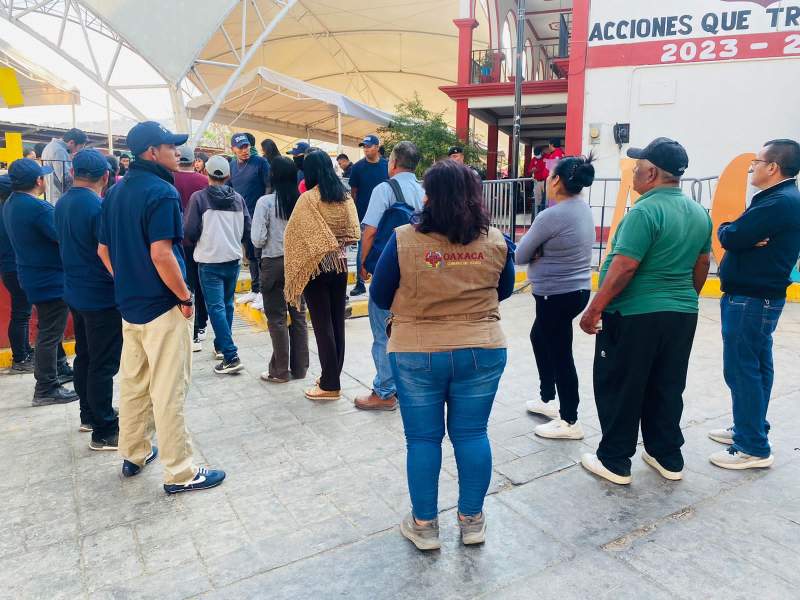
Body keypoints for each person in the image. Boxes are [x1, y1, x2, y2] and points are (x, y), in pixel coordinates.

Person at [370, 160, 515, 551]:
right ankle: (472, 522)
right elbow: (503, 289)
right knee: (472, 434)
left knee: (422, 440)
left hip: (417, 352)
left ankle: (425, 525)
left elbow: (380, 295)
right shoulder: (496, 240)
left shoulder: (403, 239)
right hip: (481, 348)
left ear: (428, 196)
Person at [99, 121, 225, 494]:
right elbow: (162, 254)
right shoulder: (162, 192)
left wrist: (127, 280)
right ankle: (181, 471)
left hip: (130, 305)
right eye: (171, 146)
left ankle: (134, 452)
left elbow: (103, 251)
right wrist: (185, 296)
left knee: (135, 383)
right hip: (162, 306)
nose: (177, 153)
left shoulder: (116, 192)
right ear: (152, 152)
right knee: (169, 388)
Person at [579, 138, 712, 485]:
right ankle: (666, 454)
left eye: (638, 168)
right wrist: (683, 298)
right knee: (666, 384)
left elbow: (624, 266)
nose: (634, 173)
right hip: (681, 313)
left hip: (635, 315)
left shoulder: (644, 211)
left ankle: (614, 460)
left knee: (622, 385)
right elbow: (702, 263)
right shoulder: (699, 212)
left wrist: (594, 310)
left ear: (652, 172)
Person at [708, 139, 800, 470]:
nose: (753, 168)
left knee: (742, 367)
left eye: (757, 163)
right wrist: (739, 233)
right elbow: (741, 235)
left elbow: (731, 236)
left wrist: (728, 230)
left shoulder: (778, 202)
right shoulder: (778, 199)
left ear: (773, 167)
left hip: (752, 298)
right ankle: (750, 426)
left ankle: (752, 447)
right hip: (756, 296)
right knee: (757, 364)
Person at [516, 154, 596, 439]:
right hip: (576, 291)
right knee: (540, 337)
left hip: (556, 295)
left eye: (550, 176)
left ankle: (570, 420)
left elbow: (521, 254)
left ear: (558, 181)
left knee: (561, 353)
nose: (547, 181)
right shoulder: (581, 209)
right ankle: (547, 398)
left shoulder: (551, 216)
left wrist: (539, 251)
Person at [54, 149, 121, 450]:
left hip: (76, 293)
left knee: (85, 355)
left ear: (72, 173)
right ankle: (105, 429)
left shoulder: (61, 203)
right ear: (106, 177)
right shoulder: (98, 207)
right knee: (102, 363)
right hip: (99, 296)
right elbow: (107, 253)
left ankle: (88, 414)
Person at [284, 151, 360, 401]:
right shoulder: (344, 196)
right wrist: (335, 244)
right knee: (337, 322)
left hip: (317, 267)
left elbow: (294, 234)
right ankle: (332, 375)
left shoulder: (309, 199)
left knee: (322, 325)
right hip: (339, 264)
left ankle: (329, 385)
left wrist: (321, 246)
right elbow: (353, 233)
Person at [355, 141, 425, 412]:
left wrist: (362, 263)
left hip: (388, 268)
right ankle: (406, 386)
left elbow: (370, 231)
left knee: (383, 331)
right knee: (408, 329)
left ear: (393, 163)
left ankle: (385, 392)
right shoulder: (423, 191)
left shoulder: (384, 189)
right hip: (416, 269)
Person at [3, 158, 77, 405]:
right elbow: (63, 237)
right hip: (49, 278)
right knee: (49, 331)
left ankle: (59, 369)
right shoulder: (38, 208)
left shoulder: (12, 203)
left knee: (48, 327)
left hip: (32, 275)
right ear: (38, 181)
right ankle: (46, 387)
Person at [185, 155, 250, 375]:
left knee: (216, 308)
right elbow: (247, 230)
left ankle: (230, 355)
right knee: (226, 306)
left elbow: (190, 231)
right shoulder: (239, 199)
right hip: (233, 259)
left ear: (207, 173)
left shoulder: (198, 198)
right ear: (229, 175)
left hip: (209, 261)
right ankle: (221, 347)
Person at [251, 156, 309, 383]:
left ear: (272, 175)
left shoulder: (265, 202)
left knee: (276, 317)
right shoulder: (302, 201)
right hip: (297, 263)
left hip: (273, 263)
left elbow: (257, 239)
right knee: (299, 314)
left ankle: (279, 371)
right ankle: (300, 369)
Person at [174, 144, 210, 351]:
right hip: (201, 239)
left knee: (184, 284)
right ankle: (202, 325)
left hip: (178, 241)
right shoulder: (204, 181)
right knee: (201, 283)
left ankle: (188, 324)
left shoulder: (169, 180)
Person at [229, 132, 270, 311]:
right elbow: (229, 189)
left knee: (261, 255)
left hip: (258, 215)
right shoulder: (231, 165)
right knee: (251, 256)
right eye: (241, 147)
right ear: (233, 149)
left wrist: (265, 210)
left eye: (246, 146)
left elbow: (269, 185)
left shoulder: (260, 162)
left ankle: (264, 292)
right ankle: (255, 289)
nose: (245, 150)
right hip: (241, 216)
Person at [0, 174, 34, 373]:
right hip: (14, 266)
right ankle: (20, 358)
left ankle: (25, 352)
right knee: (21, 313)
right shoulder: (9, 211)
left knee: (22, 312)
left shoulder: (7, 209)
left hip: (8, 268)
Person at [348, 134, 389, 297]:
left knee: (384, 248)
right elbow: (354, 192)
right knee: (361, 249)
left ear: (377, 147)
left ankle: (383, 281)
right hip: (363, 215)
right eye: (364, 146)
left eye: (368, 146)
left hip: (385, 215)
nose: (365, 149)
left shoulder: (386, 166)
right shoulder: (357, 167)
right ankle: (360, 282)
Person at [41, 127, 87, 203]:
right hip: (59, 198)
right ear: (71, 142)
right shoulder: (60, 151)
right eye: (80, 147)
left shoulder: (50, 146)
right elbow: (66, 180)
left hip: (51, 196)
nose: (79, 151)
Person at [528, 146, 549, 212]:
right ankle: (538, 213)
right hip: (537, 181)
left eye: (538, 154)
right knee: (537, 199)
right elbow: (529, 171)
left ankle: (547, 212)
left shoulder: (547, 156)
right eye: (536, 155)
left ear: (542, 152)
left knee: (547, 198)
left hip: (545, 181)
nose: (537, 156)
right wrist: (533, 170)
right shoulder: (533, 159)